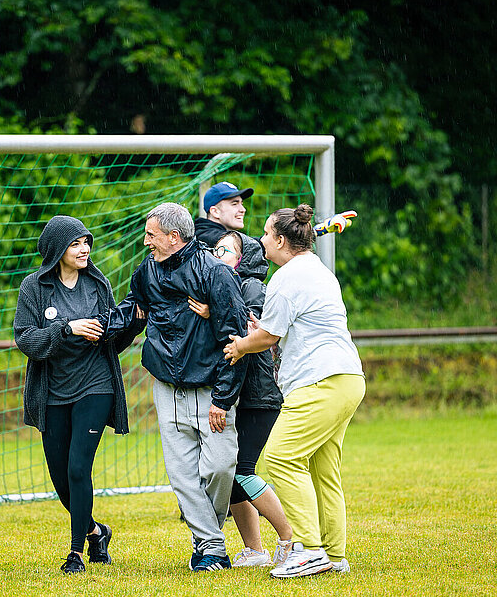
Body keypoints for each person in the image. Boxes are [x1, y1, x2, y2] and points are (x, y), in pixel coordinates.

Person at [224, 204, 365, 579]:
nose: (262, 240)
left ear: (282, 240)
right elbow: (279, 332)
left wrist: (240, 345)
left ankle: (310, 549)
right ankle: (333, 554)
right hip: (348, 377)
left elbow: (268, 336)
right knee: (324, 470)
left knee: (281, 459)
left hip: (320, 381)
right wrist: (261, 334)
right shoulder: (317, 270)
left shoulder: (286, 278)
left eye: (267, 234)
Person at [13, 215, 144, 575]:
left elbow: (112, 342)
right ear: (58, 249)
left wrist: (132, 323)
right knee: (60, 479)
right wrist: (66, 329)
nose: (84, 248)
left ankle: (75, 553)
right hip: (52, 391)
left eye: (86, 241)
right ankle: (96, 532)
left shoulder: (98, 285)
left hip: (95, 386)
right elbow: (26, 339)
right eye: (76, 243)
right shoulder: (34, 288)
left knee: (77, 468)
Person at [129, 202, 248, 573]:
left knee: (219, 467)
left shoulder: (215, 273)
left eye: (151, 235)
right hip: (166, 387)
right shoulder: (146, 271)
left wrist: (223, 399)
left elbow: (235, 339)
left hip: (211, 389)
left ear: (173, 237)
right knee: (182, 474)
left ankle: (205, 536)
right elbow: (134, 310)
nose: (146, 242)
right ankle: (211, 548)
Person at [188, 231, 293, 568]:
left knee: (243, 471)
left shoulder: (252, 287)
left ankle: (291, 539)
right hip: (239, 397)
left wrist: (214, 312)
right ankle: (255, 550)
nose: (216, 253)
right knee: (230, 475)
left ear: (243, 258)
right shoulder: (219, 285)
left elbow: (255, 332)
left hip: (260, 397)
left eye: (226, 249)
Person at [194, 181, 254, 248]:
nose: (243, 210)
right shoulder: (205, 238)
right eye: (234, 204)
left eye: (241, 204)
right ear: (215, 212)